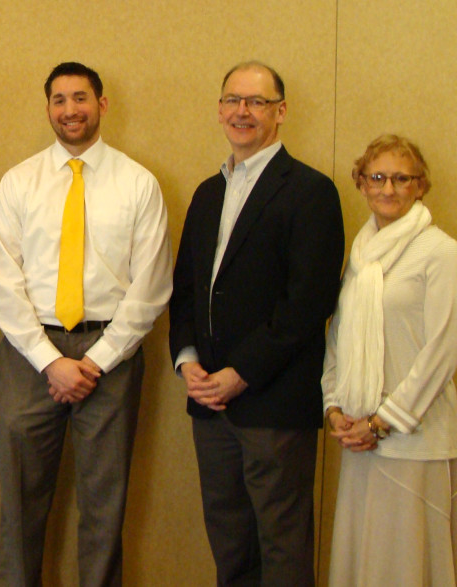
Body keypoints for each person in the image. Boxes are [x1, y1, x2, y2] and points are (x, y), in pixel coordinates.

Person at [0, 61, 172, 586]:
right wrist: (51, 361)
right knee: (20, 503)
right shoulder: (19, 183)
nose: (70, 110)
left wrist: (94, 361)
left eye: (81, 98)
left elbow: (151, 287)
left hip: (109, 356)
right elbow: (4, 285)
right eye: (59, 100)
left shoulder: (139, 184)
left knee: (104, 506)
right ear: (47, 108)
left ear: (102, 105)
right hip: (30, 356)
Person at [168, 61, 344, 586]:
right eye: (232, 100)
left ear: (280, 112)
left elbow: (308, 302)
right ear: (220, 110)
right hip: (208, 402)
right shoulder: (207, 192)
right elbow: (187, 291)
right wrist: (188, 361)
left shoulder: (310, 191)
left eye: (256, 102)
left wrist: (241, 372)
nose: (241, 111)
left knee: (282, 544)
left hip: (273, 400)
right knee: (229, 540)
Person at [322, 135, 457, 585]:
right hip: (359, 435)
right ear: (361, 183)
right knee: (364, 556)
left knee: (407, 561)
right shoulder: (360, 256)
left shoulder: (440, 252)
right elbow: (339, 336)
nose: (389, 188)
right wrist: (335, 407)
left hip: (413, 437)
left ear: (421, 186)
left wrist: (384, 421)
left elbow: (442, 351)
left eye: (402, 178)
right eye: (377, 177)